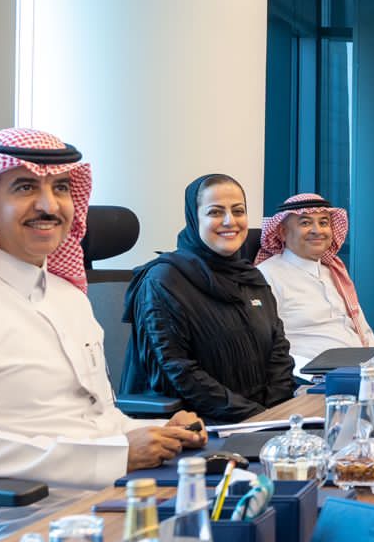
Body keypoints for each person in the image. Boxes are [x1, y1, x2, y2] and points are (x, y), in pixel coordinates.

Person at [0, 129, 206, 542]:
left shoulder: (68, 296)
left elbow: (94, 420)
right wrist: (118, 455)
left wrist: (162, 432)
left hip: (112, 496)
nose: (49, 206)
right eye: (25, 187)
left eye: (61, 188)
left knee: (239, 523)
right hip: (22, 523)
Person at [122, 174, 295, 423]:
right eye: (215, 212)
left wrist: (277, 413)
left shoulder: (250, 276)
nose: (230, 221)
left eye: (238, 211)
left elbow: (278, 350)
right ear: (194, 218)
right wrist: (256, 418)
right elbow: (178, 371)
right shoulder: (164, 281)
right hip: (200, 424)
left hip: (264, 420)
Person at [254, 193, 374, 374]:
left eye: (323, 223)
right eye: (305, 223)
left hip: (364, 372)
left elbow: (365, 333)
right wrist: (310, 375)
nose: (317, 230)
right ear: (282, 232)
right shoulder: (266, 275)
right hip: (310, 378)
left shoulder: (335, 271)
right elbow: (266, 346)